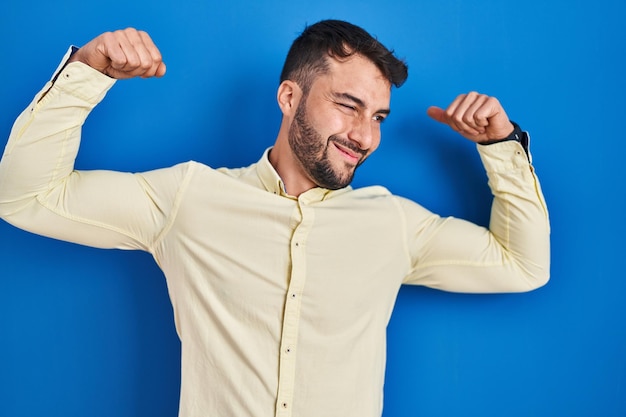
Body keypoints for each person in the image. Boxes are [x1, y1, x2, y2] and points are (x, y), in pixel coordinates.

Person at [0, 20, 549, 417]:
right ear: (290, 96)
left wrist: (501, 146)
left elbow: (523, 265)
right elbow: (24, 197)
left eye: (378, 116)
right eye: (348, 105)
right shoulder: (189, 198)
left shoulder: (392, 224)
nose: (366, 136)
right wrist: (87, 73)